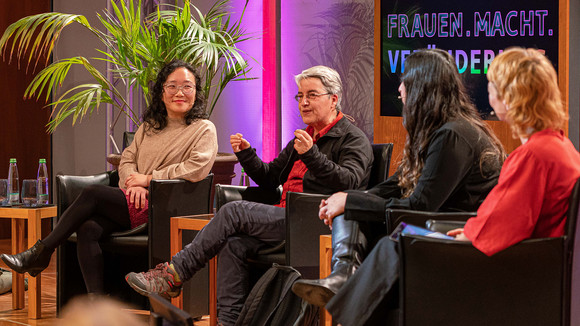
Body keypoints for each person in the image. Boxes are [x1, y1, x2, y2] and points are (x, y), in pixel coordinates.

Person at [318, 47, 580, 326]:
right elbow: (505, 217)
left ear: (510, 95)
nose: (488, 91)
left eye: (492, 85)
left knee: (393, 245)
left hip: (512, 267)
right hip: (526, 259)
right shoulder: (557, 146)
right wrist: (471, 230)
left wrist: (470, 233)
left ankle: (344, 308)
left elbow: (506, 224)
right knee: (392, 241)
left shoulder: (534, 155)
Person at [125, 65, 374, 326]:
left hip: (315, 221)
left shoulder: (352, 138)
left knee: (233, 211)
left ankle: (174, 273)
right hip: (285, 217)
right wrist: (247, 155)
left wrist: (312, 155)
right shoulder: (304, 138)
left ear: (333, 99)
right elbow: (269, 179)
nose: (304, 103)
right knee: (233, 243)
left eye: (311, 95)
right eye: (300, 96)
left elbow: (350, 182)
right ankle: (227, 323)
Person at [292, 48, 505, 308]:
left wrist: (351, 203)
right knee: (351, 207)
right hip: (432, 222)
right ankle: (342, 276)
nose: (400, 90)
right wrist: (349, 198)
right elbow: (397, 184)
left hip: (450, 230)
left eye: (405, 82)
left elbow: (420, 206)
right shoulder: (439, 130)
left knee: (353, 210)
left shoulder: (453, 135)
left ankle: (344, 281)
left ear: (420, 87)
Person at [0, 59, 218, 295]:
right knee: (87, 229)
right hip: (132, 200)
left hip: (164, 206)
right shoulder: (149, 127)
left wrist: (147, 180)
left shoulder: (203, 128)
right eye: (172, 86)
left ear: (196, 92)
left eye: (187, 86)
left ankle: (42, 252)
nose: (180, 92)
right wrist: (133, 182)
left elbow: (196, 168)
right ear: (162, 92)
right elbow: (126, 160)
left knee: (92, 193)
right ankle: (99, 309)